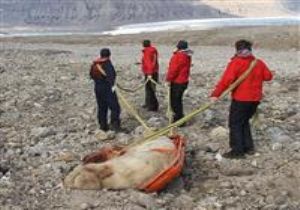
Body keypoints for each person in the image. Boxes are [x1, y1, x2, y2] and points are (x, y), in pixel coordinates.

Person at [210, 39, 273, 158]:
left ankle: (237, 151)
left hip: (241, 99)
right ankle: (248, 148)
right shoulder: (258, 62)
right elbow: (268, 77)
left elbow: (226, 81)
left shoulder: (236, 62)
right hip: (255, 99)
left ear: (237, 50)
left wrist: (215, 94)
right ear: (250, 49)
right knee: (244, 122)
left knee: (235, 123)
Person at [90, 48, 121, 132]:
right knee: (115, 107)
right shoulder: (107, 64)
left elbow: (91, 75)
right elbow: (111, 76)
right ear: (109, 55)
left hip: (97, 88)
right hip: (107, 88)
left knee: (102, 107)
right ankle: (115, 126)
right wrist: (112, 85)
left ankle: (103, 126)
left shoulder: (95, 64)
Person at [166, 40, 193, 125]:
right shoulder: (187, 55)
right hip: (184, 81)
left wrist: (168, 79)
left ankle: (179, 120)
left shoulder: (179, 56)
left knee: (175, 101)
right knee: (178, 100)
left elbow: (174, 70)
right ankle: (179, 118)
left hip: (177, 82)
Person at [141, 40, 159, 111]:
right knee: (149, 89)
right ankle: (148, 103)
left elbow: (149, 63)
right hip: (153, 72)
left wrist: (149, 73)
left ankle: (153, 106)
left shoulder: (148, 52)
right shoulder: (152, 50)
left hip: (150, 73)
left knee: (150, 89)